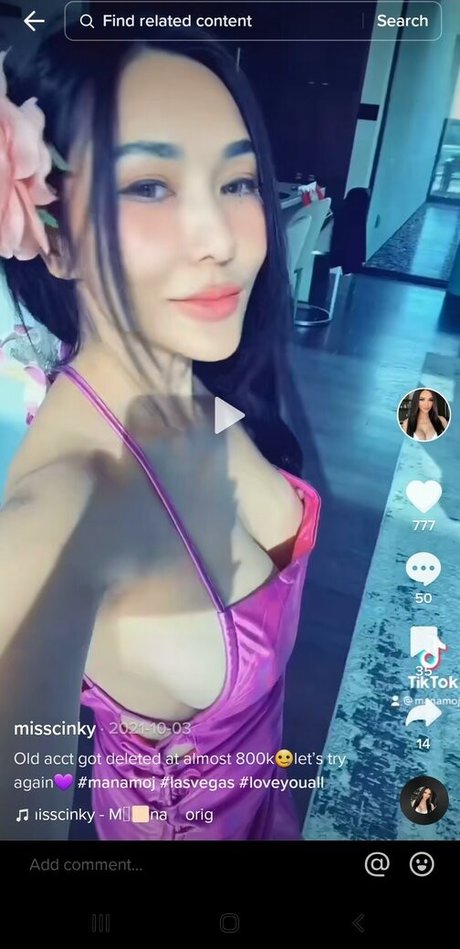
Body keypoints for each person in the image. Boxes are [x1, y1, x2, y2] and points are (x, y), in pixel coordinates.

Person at [0, 26, 320, 841]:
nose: (223, 240)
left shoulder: (193, 386)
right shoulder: (56, 515)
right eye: (149, 186)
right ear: (55, 238)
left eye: (238, 180)